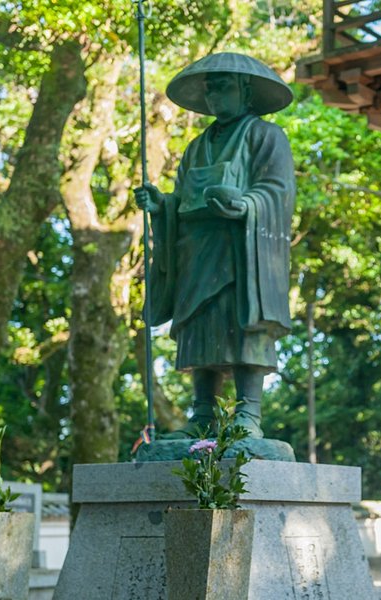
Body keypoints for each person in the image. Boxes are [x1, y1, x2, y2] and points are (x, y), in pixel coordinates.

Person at [134, 53, 295, 438]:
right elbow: (181, 198)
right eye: (209, 88)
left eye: (222, 86)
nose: (213, 95)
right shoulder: (195, 147)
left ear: (245, 91)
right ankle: (202, 412)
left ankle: (248, 413)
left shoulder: (265, 136)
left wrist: (245, 204)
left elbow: (278, 191)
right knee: (199, 325)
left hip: (240, 248)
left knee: (242, 324)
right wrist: (162, 206)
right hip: (196, 248)